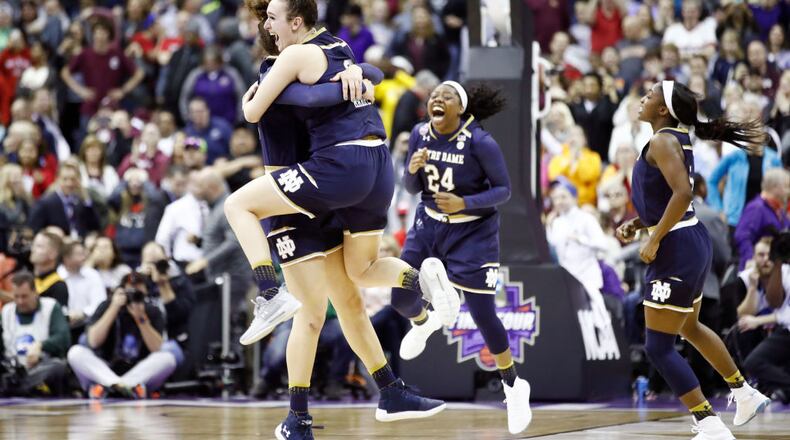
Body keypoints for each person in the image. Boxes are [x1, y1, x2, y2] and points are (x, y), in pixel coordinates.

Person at [232, 3, 446, 437]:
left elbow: (345, 72)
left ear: (293, 25)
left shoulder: (315, 55)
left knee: (348, 301)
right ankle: (298, 416)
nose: (271, 28)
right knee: (311, 315)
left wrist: (363, 72)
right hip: (290, 200)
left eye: (274, 19)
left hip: (317, 187)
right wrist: (359, 80)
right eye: (268, 24)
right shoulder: (272, 72)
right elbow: (305, 95)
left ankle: (389, 389)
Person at [616, 81, 771, 439]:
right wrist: (640, 224)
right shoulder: (673, 137)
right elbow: (670, 194)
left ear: (663, 110)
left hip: (676, 245)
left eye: (650, 95)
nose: (643, 98)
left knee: (657, 346)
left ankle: (707, 421)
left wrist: (653, 238)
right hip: (687, 239)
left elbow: (684, 192)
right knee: (689, 327)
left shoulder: (662, 140)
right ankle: (743, 393)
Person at [391, 81, 532, 435]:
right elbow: (411, 189)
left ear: (461, 109)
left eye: (447, 96)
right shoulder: (420, 133)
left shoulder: (480, 142)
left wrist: (465, 202)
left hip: (473, 231)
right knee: (400, 297)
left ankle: (513, 386)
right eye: (435, 95)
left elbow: (504, 190)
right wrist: (411, 169)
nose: (437, 99)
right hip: (428, 224)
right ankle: (425, 322)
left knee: (484, 315)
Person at [0, 271, 70, 396]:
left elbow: (63, 337)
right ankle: (19, 388)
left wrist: (41, 345)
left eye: (24, 296)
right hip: (12, 370)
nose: (20, 301)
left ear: (35, 292)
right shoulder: (6, 311)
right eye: (16, 296)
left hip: (41, 366)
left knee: (57, 367)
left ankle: (17, 389)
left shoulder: (50, 306)